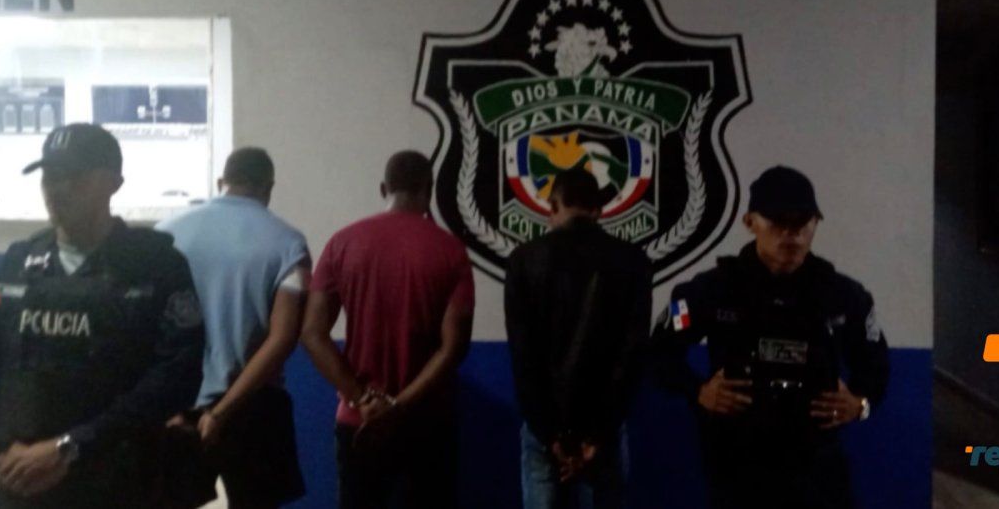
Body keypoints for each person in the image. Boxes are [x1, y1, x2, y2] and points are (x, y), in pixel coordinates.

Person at [0, 123, 205, 508]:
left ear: (113, 183)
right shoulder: (16, 265)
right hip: (22, 483)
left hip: (117, 485)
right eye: (50, 176)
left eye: (74, 176)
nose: (58, 188)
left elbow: (177, 374)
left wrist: (72, 446)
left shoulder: (156, 266)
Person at [651, 165, 889, 509]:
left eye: (802, 222)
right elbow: (659, 353)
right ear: (750, 222)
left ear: (816, 223)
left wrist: (860, 405)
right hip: (738, 463)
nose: (791, 234)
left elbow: (876, 365)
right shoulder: (710, 290)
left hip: (816, 466)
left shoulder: (844, 296)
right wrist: (698, 390)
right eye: (778, 221)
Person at [300, 150, 475, 509]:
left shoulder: (342, 243)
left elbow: (312, 334)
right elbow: (453, 347)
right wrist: (397, 406)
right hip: (426, 420)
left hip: (359, 422)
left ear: (384, 188)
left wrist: (361, 399)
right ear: (429, 190)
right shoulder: (451, 251)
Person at [157, 147, 309, 508]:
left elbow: (145, 329)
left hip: (177, 404)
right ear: (268, 188)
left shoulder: (166, 233)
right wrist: (221, 412)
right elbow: (283, 338)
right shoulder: (289, 244)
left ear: (220, 182)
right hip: (254, 406)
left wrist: (163, 407)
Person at [504, 167, 652, 509]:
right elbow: (631, 355)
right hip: (603, 430)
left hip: (544, 430)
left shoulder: (524, 260)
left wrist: (550, 435)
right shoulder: (633, 262)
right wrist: (597, 435)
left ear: (552, 207)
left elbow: (523, 356)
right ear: (598, 210)